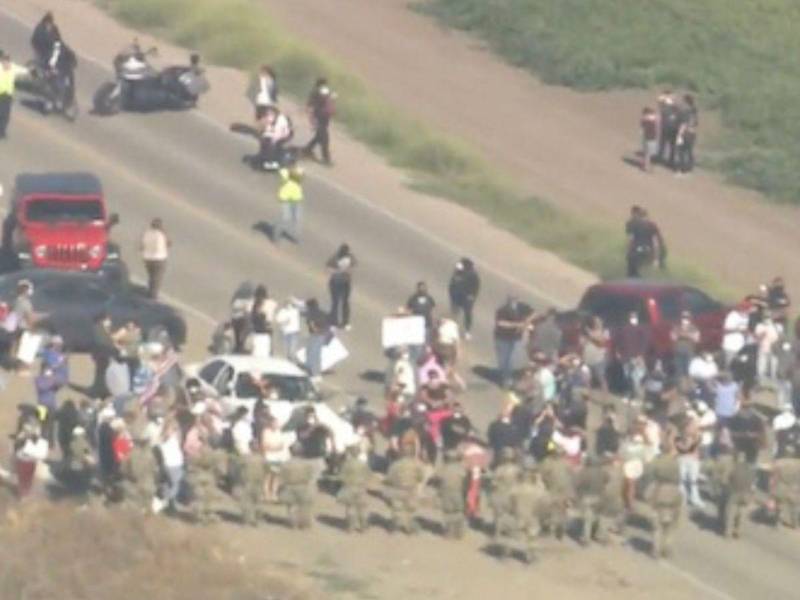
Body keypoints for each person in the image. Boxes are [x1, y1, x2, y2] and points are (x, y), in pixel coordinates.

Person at [646, 442, 682, 558]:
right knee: (671, 524)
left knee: (657, 524)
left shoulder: (656, 461)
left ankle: (655, 549)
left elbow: (649, 474)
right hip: (674, 490)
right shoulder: (675, 462)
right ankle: (667, 548)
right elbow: (679, 476)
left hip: (659, 488)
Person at [385, 443, 427, 534]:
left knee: (396, 509)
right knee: (410, 511)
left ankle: (394, 524)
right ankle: (409, 528)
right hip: (410, 490)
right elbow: (421, 477)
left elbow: (389, 478)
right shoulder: (417, 465)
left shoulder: (395, 464)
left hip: (397, 490)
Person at [509, 464, 547, 563]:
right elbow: (543, 500)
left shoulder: (516, 488)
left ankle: (527, 554)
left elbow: (511, 501)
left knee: (525, 535)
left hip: (520, 515)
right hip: (532, 515)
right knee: (532, 536)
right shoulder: (537, 489)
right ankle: (530, 555)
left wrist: (513, 511)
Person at [494, 296, 534, 388]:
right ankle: (505, 376)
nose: (513, 303)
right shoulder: (502, 310)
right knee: (503, 359)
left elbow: (533, 313)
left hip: (515, 338)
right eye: (511, 301)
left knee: (511, 359)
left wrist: (527, 321)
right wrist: (517, 325)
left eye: (515, 300)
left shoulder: (522, 307)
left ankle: (508, 379)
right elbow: (500, 323)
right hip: (502, 338)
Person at [716, 451, 755, 538]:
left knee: (730, 513)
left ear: (736, 458)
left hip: (735, 493)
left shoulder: (733, 467)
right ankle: (738, 531)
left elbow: (724, 481)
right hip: (746, 494)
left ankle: (728, 532)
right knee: (741, 513)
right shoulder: (749, 468)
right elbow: (753, 483)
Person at [278, 444, 316, 529]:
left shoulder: (285, 464)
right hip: (303, 486)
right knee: (304, 506)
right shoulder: (307, 464)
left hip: (289, 486)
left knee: (291, 506)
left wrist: (281, 487)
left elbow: (282, 477)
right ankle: (304, 523)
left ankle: (293, 523)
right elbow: (310, 476)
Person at [336, 444, 372, 532]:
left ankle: (350, 526)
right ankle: (363, 526)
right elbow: (368, 475)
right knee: (362, 508)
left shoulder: (346, 464)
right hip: (360, 488)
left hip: (349, 487)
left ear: (351, 453)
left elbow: (341, 476)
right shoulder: (363, 464)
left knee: (350, 507)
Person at [575, 455, 610, 545]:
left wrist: (578, 495)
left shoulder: (584, 472)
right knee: (601, 517)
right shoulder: (602, 472)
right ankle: (601, 537)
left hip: (587, 497)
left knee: (588, 519)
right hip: (600, 496)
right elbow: (607, 480)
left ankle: (586, 539)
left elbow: (577, 484)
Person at [625, 206, 666, 277]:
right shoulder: (652, 225)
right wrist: (656, 259)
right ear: (647, 216)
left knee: (631, 270)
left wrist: (628, 252)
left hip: (635, 251)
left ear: (639, 216)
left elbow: (630, 239)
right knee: (649, 272)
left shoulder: (635, 225)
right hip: (648, 251)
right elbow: (655, 243)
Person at [303, 77, 336, 165]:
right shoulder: (325, 92)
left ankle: (307, 150)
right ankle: (326, 158)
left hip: (320, 116)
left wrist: (311, 117)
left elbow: (310, 105)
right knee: (324, 138)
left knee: (320, 136)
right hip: (323, 117)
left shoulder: (316, 91)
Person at [436, 448, 468, 539]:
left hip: (446, 492)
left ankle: (449, 531)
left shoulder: (443, 468)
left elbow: (438, 479)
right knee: (458, 512)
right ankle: (458, 532)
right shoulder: (461, 469)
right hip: (457, 492)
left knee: (448, 512)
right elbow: (465, 481)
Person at [326, 243, 357, 330]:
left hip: (346, 283)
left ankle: (345, 322)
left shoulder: (350, 257)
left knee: (345, 302)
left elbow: (353, 265)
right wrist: (338, 271)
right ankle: (334, 322)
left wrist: (349, 271)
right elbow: (328, 266)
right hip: (335, 282)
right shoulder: (336, 257)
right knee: (335, 302)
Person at [448, 258, 480, 340]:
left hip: (467, 298)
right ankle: (453, 330)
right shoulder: (457, 273)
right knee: (455, 313)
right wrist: (452, 294)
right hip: (457, 296)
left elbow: (476, 287)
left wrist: (472, 296)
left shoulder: (473, 275)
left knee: (467, 314)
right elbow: (452, 284)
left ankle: (467, 331)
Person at [0, 52, 29, 140]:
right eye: (5, 62)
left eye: (7, 62)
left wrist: (34, 72)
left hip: (7, 95)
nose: (6, 64)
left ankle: (2, 131)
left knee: (5, 114)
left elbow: (25, 71)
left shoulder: (13, 68)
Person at [770, 443, 800, 529]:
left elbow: (775, 476)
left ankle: (776, 521)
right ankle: (794, 524)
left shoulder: (780, 462)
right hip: (795, 488)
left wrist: (772, 487)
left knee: (779, 504)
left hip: (781, 486)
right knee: (794, 507)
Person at [140, 218, 170, 299]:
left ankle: (150, 291)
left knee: (151, 276)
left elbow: (142, 246)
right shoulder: (161, 235)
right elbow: (169, 243)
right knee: (157, 278)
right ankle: (153, 296)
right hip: (159, 258)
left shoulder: (147, 233)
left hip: (148, 258)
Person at [275, 162, 304, 243]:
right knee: (285, 217)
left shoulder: (298, 171)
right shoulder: (284, 172)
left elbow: (299, 178)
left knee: (297, 218)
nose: (292, 166)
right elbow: (284, 178)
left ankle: (296, 237)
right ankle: (276, 234)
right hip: (286, 198)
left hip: (296, 198)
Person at [671, 311, 700, 378]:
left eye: (686, 317)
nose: (685, 319)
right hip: (678, 351)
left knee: (689, 369)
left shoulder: (694, 328)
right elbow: (673, 338)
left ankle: (688, 384)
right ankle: (681, 384)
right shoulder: (676, 327)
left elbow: (696, 339)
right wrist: (684, 335)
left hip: (689, 351)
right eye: (684, 317)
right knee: (679, 370)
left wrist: (684, 335)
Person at [250, 285, 277, 358]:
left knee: (257, 353)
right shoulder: (270, 303)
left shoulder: (254, 305)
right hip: (266, 330)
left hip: (257, 332)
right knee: (267, 352)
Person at [722, 302, 751, 367]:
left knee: (742, 366)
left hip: (742, 346)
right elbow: (726, 330)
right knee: (730, 366)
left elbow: (747, 331)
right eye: (747, 309)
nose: (748, 311)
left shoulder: (747, 317)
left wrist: (747, 332)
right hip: (730, 346)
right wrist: (739, 330)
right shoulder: (732, 316)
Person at [675, 94, 698, 175]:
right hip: (692, 133)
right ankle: (689, 168)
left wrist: (679, 135)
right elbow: (695, 123)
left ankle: (681, 169)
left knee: (681, 151)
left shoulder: (685, 111)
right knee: (689, 151)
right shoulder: (694, 111)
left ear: (686, 102)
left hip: (685, 133)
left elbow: (683, 124)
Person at [657, 91, 681, 168]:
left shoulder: (675, 107)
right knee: (663, 144)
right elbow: (659, 100)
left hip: (672, 128)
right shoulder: (664, 106)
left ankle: (670, 160)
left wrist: (669, 98)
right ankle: (661, 158)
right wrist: (666, 97)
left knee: (671, 145)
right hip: (667, 127)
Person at [640, 106, 659, 172]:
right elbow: (655, 120)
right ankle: (646, 166)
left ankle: (644, 164)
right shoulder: (651, 119)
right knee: (648, 153)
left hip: (646, 137)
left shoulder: (643, 119)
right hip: (651, 137)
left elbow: (642, 129)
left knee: (646, 152)